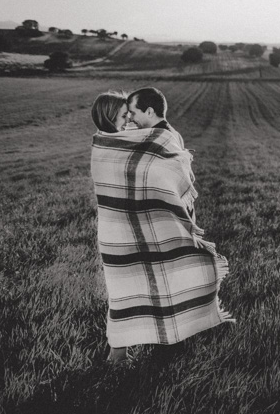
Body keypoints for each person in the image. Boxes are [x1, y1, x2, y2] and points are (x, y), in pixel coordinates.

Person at [90, 87, 233, 364]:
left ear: (150, 111)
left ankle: (164, 339)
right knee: (124, 292)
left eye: (130, 113)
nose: (129, 119)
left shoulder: (143, 139)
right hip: (120, 229)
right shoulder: (111, 145)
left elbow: (171, 174)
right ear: (110, 117)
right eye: (124, 115)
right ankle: (117, 355)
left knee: (160, 281)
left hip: (148, 225)